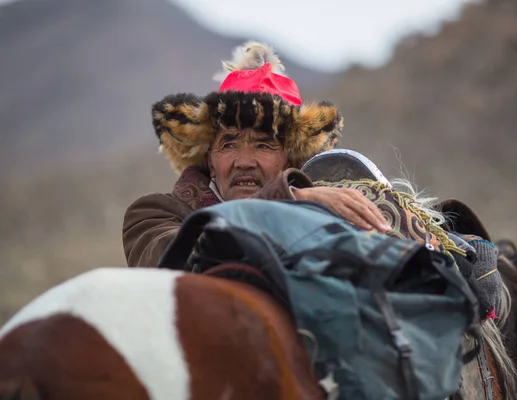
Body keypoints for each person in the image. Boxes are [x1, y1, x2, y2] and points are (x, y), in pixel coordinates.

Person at [122, 41, 392, 268]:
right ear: (209, 159)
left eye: (263, 145)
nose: (244, 161)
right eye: (228, 145)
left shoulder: (334, 212)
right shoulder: (153, 214)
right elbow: (182, 263)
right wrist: (288, 200)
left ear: (290, 159)